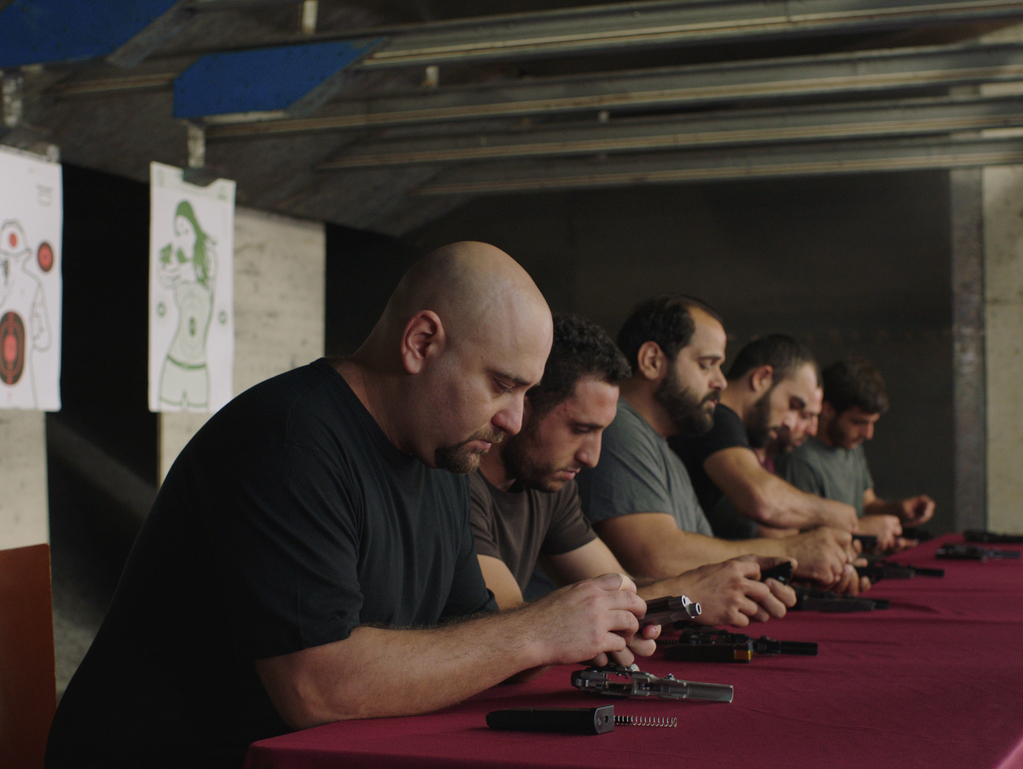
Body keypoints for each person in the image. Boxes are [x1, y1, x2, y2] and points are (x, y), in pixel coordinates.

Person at [46, 242, 655, 769]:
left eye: (525, 392)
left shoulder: (441, 455)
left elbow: (467, 634)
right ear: (421, 342)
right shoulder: (287, 439)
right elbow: (317, 688)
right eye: (501, 384)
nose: (514, 419)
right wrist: (535, 632)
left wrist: (581, 632)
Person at [472, 312, 796, 627]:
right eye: (581, 429)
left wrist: (708, 584)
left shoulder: (551, 486)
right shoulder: (461, 483)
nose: (592, 458)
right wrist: (684, 593)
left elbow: (621, 588)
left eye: (601, 432)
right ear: (521, 404)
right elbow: (507, 632)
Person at [575, 296, 861, 593]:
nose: (721, 382)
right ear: (651, 361)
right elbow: (658, 559)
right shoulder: (617, 428)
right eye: (706, 365)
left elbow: (708, 565)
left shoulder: (667, 452)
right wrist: (792, 552)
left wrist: (799, 566)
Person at [669, 334, 858, 540]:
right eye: (793, 406)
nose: (788, 421)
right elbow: (762, 500)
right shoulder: (716, 418)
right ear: (760, 378)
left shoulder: (735, 428)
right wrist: (830, 513)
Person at [777, 356, 935, 551]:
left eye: (872, 423)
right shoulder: (800, 459)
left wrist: (900, 510)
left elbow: (867, 504)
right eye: (859, 422)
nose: (868, 434)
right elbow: (801, 540)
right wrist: (861, 531)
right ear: (827, 410)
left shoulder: (850, 445)